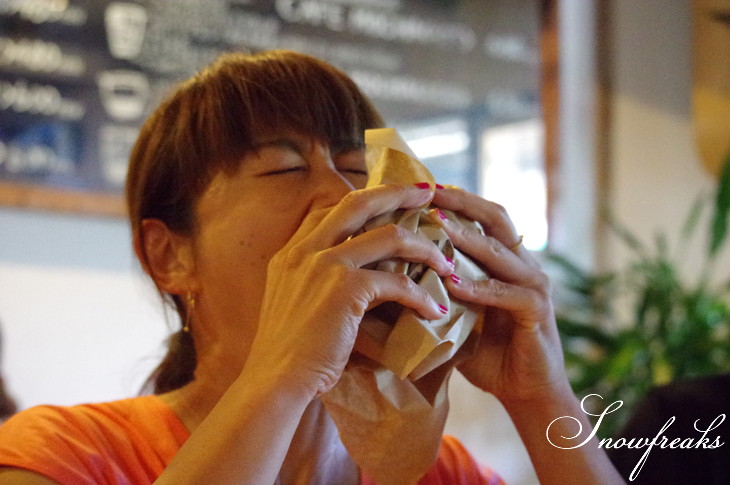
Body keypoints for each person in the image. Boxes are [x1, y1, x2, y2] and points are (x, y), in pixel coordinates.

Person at [0, 50, 624, 485]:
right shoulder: (64, 454)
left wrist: (543, 399)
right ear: (170, 256)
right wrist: (283, 376)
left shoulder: (439, 472)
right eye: (284, 167)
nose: (343, 197)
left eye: (359, 170)